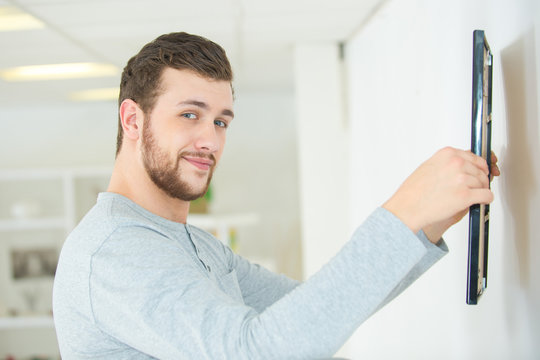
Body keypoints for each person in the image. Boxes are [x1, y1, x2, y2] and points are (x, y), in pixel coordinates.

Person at [52, 32, 499, 359]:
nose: (210, 140)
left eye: (221, 121)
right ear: (133, 120)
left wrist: (426, 221)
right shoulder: (114, 251)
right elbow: (257, 353)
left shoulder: (194, 245)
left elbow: (313, 313)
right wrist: (404, 210)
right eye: (190, 114)